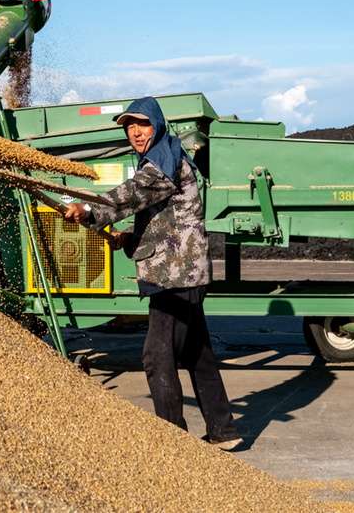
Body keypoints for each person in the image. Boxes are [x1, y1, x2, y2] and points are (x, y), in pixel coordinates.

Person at [64, 96, 241, 450]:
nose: (135, 133)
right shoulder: (165, 157)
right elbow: (165, 222)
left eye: (141, 125)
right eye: (129, 127)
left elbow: (133, 192)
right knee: (196, 353)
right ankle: (224, 431)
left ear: (157, 126)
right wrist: (128, 238)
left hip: (174, 278)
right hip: (183, 272)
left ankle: (171, 443)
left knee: (155, 355)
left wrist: (88, 209)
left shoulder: (163, 160)